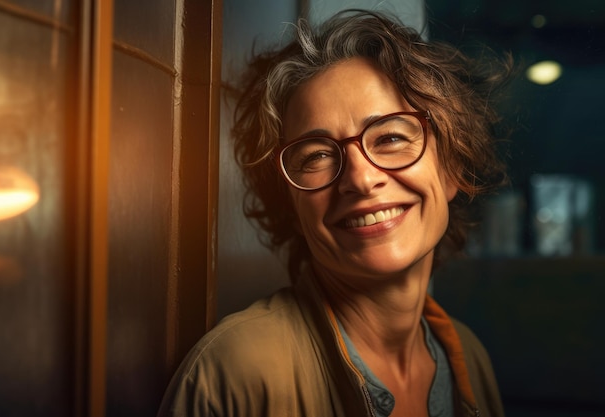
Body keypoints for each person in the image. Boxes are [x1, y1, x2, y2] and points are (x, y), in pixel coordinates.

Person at [158, 9, 511, 417]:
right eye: (318, 155)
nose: (360, 179)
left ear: (453, 167)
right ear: (290, 202)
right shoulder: (236, 372)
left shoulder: (467, 356)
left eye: (392, 137)